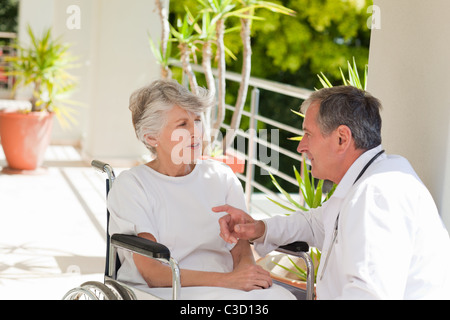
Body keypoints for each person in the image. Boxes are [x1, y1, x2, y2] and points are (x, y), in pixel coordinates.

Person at [214, 85, 450, 300]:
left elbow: (369, 295)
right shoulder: (370, 179)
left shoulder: (377, 195)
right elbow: (318, 223)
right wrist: (259, 229)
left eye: (308, 134)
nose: (300, 146)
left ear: (341, 138)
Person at [107, 79, 295, 300]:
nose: (196, 132)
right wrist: (229, 281)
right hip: (163, 291)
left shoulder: (220, 176)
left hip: (225, 286)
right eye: (182, 124)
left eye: (197, 120)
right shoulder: (132, 185)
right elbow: (153, 273)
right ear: (151, 137)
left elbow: (240, 245)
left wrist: (246, 275)